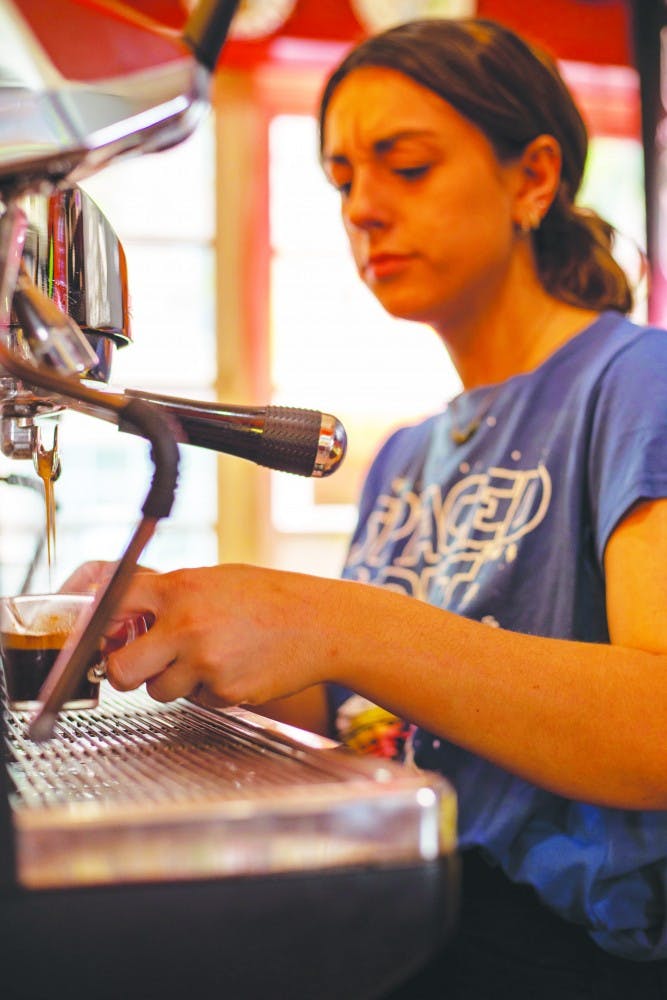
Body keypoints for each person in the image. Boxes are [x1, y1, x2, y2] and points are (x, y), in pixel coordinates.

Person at [67, 17, 667, 998]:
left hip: (563, 948)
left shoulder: (636, 383)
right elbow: (366, 709)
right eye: (344, 179)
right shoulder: (403, 456)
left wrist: (333, 616)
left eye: (407, 166)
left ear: (533, 179)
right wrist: (185, 622)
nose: (364, 210)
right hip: (414, 894)